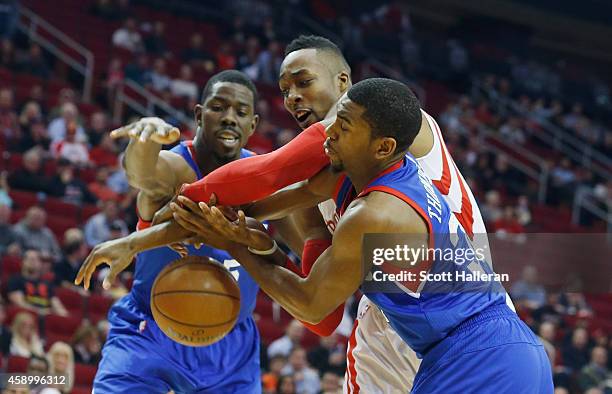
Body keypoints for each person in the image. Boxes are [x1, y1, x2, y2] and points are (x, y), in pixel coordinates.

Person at [77, 35, 508, 393]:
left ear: (343, 81)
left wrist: (153, 225)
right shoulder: (323, 186)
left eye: (303, 82)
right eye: (285, 90)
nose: (293, 97)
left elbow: (263, 174)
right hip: (389, 317)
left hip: (466, 312)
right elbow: (321, 316)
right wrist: (253, 241)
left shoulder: (389, 119)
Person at [169, 79, 553, 393]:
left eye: (343, 127)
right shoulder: (391, 168)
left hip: (475, 358)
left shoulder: (374, 213)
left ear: (382, 145)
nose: (328, 133)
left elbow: (312, 304)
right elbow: (285, 195)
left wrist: (234, 243)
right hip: (510, 346)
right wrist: (215, 220)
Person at [89, 70, 264, 393]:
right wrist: (145, 141)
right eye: (218, 108)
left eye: (240, 113)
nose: (229, 118)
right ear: (199, 114)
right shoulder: (176, 166)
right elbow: (143, 176)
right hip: (151, 332)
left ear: (253, 125)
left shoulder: (265, 177)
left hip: (231, 347)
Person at [8, 249, 68, 316]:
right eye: (30, 259)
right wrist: (40, 311)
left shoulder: (47, 283)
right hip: (27, 316)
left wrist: (65, 316)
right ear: (22, 262)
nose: (33, 262)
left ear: (40, 264)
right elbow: (20, 303)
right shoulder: (15, 280)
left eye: (36, 259)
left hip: (47, 317)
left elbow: (57, 305)